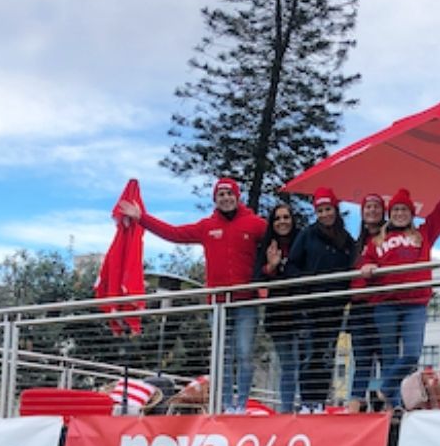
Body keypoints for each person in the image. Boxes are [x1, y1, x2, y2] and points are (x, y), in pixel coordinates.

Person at [117, 177, 266, 413]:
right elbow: (174, 233)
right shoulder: (206, 226)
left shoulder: (255, 224)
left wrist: (267, 278)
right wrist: (141, 218)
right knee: (222, 358)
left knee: (245, 353)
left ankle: (242, 404)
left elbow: (279, 241)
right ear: (215, 199)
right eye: (221, 194)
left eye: (230, 193)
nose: (226, 198)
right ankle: (227, 405)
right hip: (217, 305)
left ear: (238, 197)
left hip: (246, 302)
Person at [357, 175, 440, 411]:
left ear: (411, 213)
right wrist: (366, 268)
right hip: (385, 304)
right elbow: (364, 265)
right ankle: (395, 408)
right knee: (389, 357)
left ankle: (385, 388)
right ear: (390, 214)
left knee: (411, 354)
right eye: (396, 209)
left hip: (415, 304)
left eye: (404, 210)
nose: (400, 213)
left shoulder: (424, 234)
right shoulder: (376, 241)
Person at [288, 186, 357, 412]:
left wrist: (345, 293)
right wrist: (307, 285)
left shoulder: (346, 240)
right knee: (309, 354)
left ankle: (319, 401)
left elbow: (352, 269)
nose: (325, 214)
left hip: (334, 307)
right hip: (310, 306)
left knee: (328, 356)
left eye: (328, 209)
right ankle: (306, 402)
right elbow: (292, 265)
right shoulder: (307, 234)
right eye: (321, 210)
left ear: (335, 210)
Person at [254, 203, 305, 413]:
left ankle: (306, 406)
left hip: (305, 313)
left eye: (286, 217)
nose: (282, 222)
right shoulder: (266, 246)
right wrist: (272, 267)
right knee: (288, 365)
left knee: (306, 363)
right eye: (277, 218)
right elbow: (257, 278)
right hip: (279, 316)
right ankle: (286, 411)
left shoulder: (303, 242)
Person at [347, 193, 387, 412]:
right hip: (359, 306)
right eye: (367, 207)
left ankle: (387, 397)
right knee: (362, 357)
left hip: (382, 304)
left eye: (376, 207)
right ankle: (356, 400)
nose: (372, 211)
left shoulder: (388, 238)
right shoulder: (356, 243)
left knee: (384, 355)